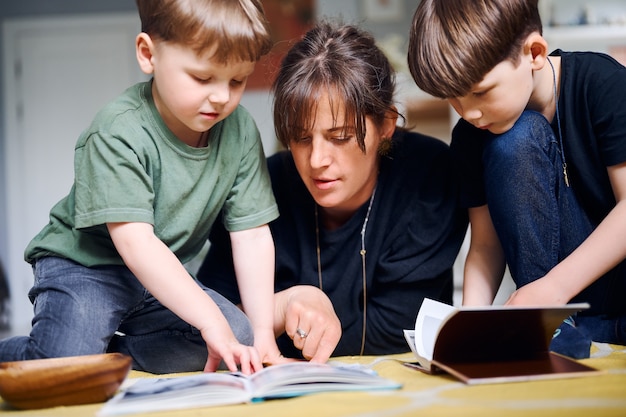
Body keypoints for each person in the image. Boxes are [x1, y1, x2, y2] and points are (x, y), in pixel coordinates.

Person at [0, 0, 284, 374]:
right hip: (86, 266)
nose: (221, 96)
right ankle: (65, 349)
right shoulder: (118, 130)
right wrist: (208, 321)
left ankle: (111, 351)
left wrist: (263, 335)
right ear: (149, 55)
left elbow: (250, 236)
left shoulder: (240, 131)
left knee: (237, 340)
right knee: (63, 366)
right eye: (202, 78)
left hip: (159, 274)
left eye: (237, 81)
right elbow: (136, 243)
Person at [198, 21, 468, 361]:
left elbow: (398, 332)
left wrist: (261, 325)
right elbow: (200, 330)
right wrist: (281, 307)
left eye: (340, 137)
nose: (317, 160)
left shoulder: (429, 175)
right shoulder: (258, 186)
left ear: (386, 124)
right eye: (301, 137)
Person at [407, 0, 626, 358]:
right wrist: (467, 324)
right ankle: (550, 328)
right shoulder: (472, 134)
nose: (470, 113)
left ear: (534, 53)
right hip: (566, 318)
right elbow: (485, 245)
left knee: (514, 139)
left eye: (480, 92)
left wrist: (552, 288)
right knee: (511, 141)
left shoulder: (603, 84)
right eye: (454, 99)